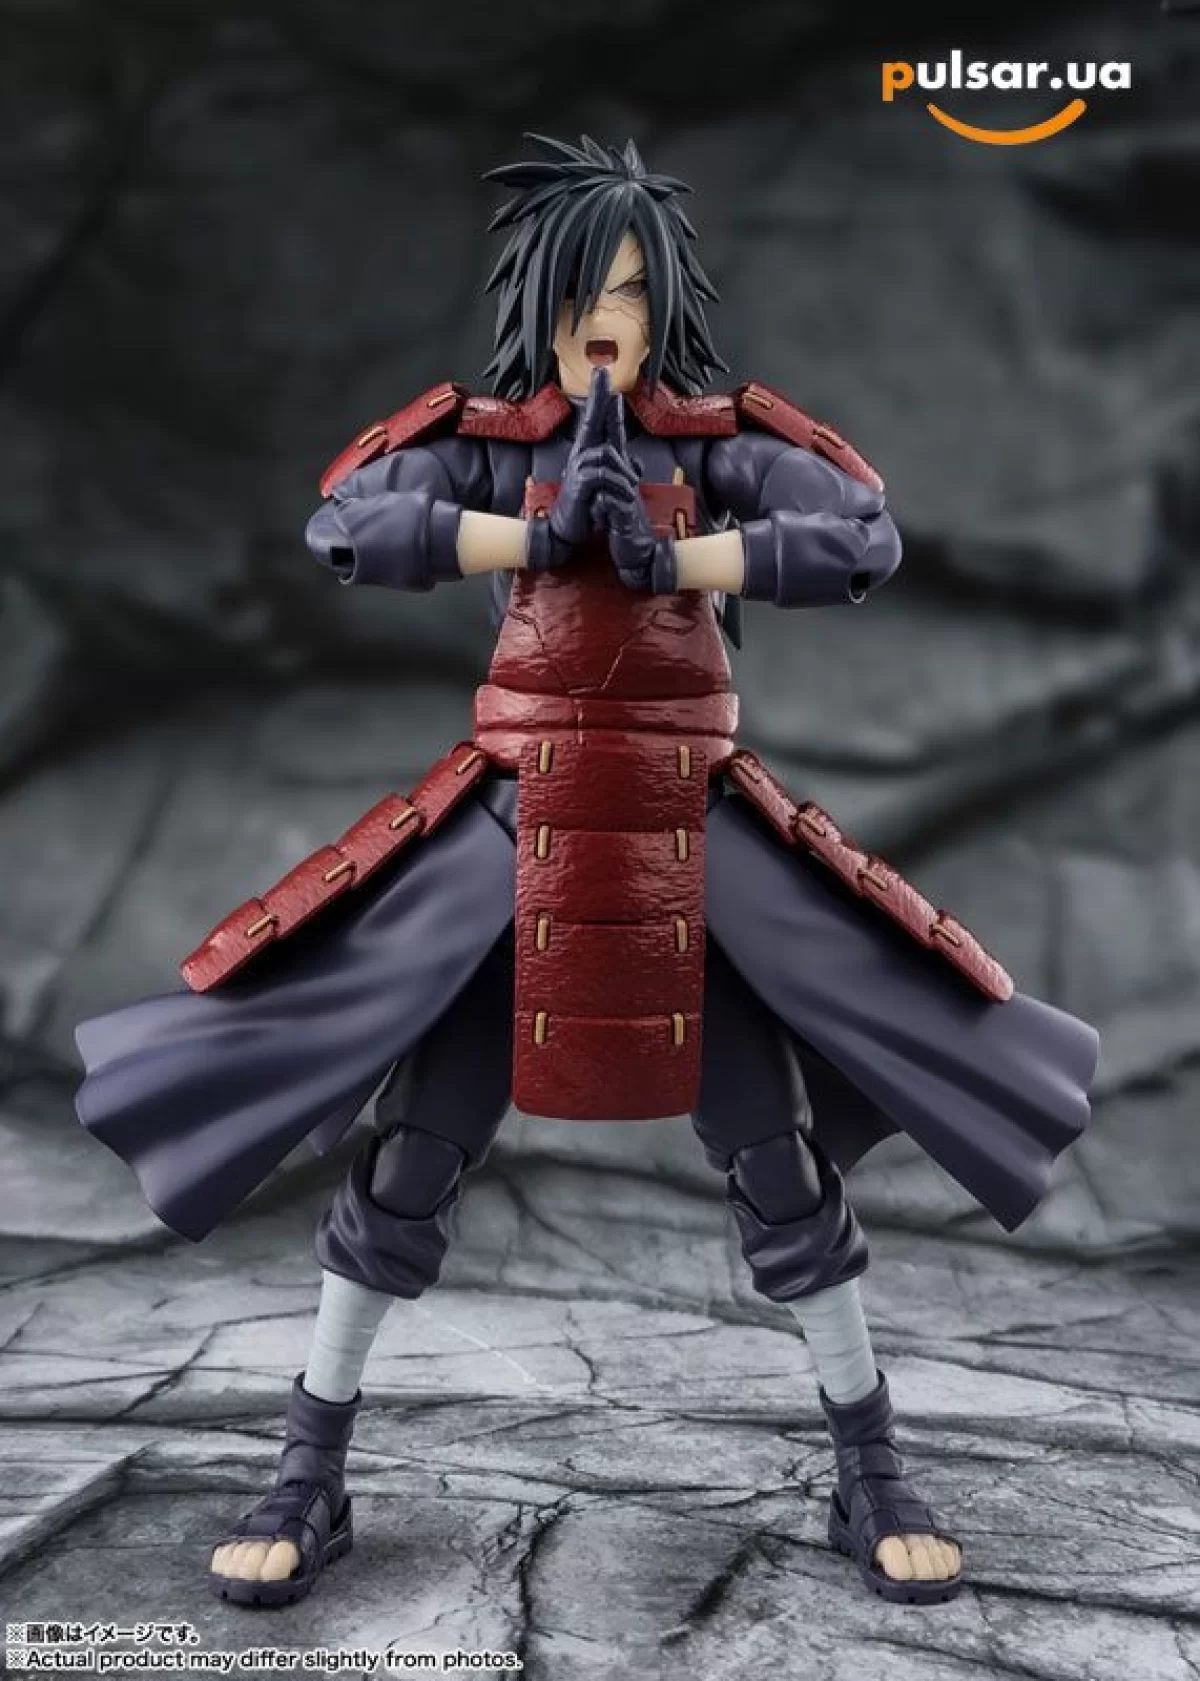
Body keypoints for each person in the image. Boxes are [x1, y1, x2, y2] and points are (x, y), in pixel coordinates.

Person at [73, 133, 1100, 1610]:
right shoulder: (491, 436)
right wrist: (535, 532)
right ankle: (307, 1471)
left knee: (779, 1171)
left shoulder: (715, 441)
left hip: (686, 839)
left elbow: (858, 532)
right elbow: (347, 520)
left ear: (663, 297)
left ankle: (870, 1469)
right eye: (579, 288)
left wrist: (680, 563)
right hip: (518, 842)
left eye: (627, 285)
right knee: (411, 1164)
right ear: (536, 301)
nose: (603, 314)